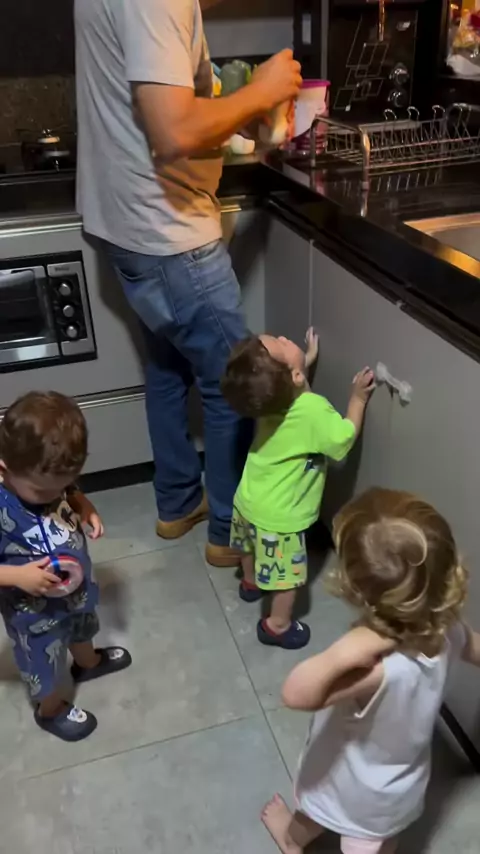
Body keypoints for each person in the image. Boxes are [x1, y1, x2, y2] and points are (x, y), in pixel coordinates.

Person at [74, 0, 303, 567]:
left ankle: (177, 503)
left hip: (125, 224)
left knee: (167, 367)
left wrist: (234, 107)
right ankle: (228, 531)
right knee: (234, 383)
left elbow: (155, 100)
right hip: (166, 233)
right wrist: (264, 90)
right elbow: (172, 130)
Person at [262, 487, 480, 854]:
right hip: (399, 784)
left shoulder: (377, 668)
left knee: (317, 810)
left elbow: (296, 694)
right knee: (381, 837)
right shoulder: (449, 630)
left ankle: (291, 840)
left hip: (347, 782)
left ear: (355, 589)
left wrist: (347, 649)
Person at [221, 329, 374, 649]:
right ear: (294, 376)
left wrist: (305, 361)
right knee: (286, 577)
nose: (283, 337)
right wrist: (358, 399)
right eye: (281, 344)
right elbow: (342, 440)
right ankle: (277, 625)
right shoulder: (312, 410)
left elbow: (282, 381)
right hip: (280, 518)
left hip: (248, 498)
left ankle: (250, 583)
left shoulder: (263, 399)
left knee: (249, 546)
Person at [0, 392, 132, 742]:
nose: (53, 496)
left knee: (82, 626)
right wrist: (18, 576)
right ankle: (50, 709)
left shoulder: (48, 474)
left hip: (75, 589)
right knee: (42, 660)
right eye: (43, 492)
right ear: (5, 469)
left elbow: (70, 491)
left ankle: (88, 664)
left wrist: (84, 506)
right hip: (32, 610)